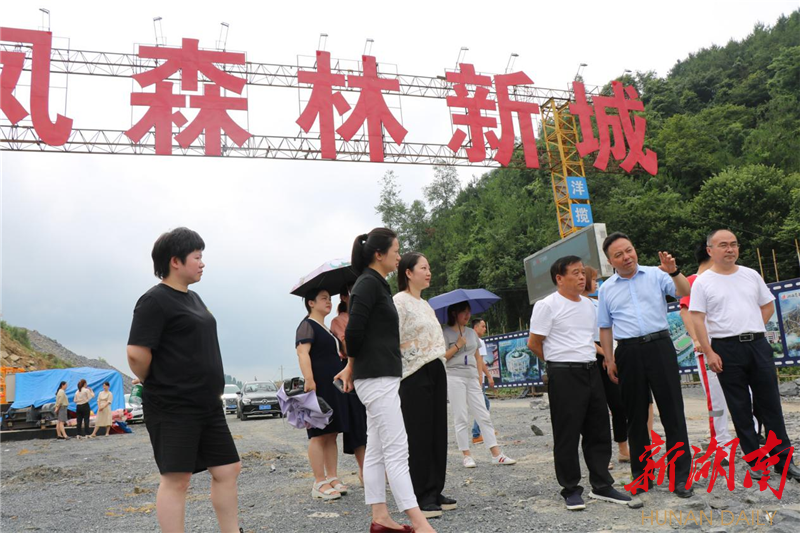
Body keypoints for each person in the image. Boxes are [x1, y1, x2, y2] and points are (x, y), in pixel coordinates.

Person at [127, 227, 242, 533]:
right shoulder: (154, 300)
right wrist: (164, 380)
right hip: (173, 405)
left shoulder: (194, 298)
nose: (202, 263)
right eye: (197, 257)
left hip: (207, 405)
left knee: (228, 468)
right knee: (177, 478)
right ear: (175, 261)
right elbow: (137, 354)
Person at [337, 228, 435, 533]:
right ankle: (419, 523)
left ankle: (380, 516)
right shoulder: (367, 285)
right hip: (377, 378)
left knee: (378, 450)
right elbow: (353, 333)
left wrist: (353, 367)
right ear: (379, 254)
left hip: (380, 376)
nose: (398, 254)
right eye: (395, 250)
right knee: (397, 449)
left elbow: (363, 333)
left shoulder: (375, 284)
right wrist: (353, 365)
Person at [689, 229, 800, 481]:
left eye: (734, 245)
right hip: (725, 349)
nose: (730, 249)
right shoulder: (703, 282)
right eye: (723, 245)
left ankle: (783, 461)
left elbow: (767, 304)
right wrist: (709, 352)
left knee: (771, 404)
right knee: (740, 406)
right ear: (710, 251)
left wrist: (753, 327)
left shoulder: (751, 275)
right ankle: (755, 459)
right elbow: (697, 318)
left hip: (758, 345)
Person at [528, 256, 631, 510]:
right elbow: (534, 343)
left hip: (590, 370)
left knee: (598, 428)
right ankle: (571, 488)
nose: (581, 277)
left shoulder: (589, 305)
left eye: (582, 272)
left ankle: (602, 484)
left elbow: (594, 338)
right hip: (563, 374)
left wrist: (607, 358)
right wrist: (556, 364)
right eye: (575, 273)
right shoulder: (547, 305)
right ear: (559, 278)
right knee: (567, 432)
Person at [598, 232, 694, 498]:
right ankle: (641, 478)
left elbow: (685, 293)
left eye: (629, 250)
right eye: (619, 254)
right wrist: (609, 358)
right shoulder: (606, 289)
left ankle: (681, 478)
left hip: (660, 347)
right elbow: (605, 327)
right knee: (636, 417)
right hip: (627, 352)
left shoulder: (656, 274)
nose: (626, 257)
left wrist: (674, 272)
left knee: (673, 412)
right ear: (610, 261)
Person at [394, 252, 456, 519]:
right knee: (418, 434)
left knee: (436, 431)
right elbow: (391, 339)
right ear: (408, 272)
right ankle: (421, 494)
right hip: (413, 373)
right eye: (423, 268)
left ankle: (435, 488)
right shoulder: (399, 302)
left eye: (429, 267)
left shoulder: (426, 304)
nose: (428, 272)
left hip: (435, 368)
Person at [679, 241, 753, 461]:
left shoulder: (724, 280)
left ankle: (753, 437)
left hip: (732, 346)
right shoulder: (694, 281)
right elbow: (686, 312)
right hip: (708, 348)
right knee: (716, 400)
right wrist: (696, 340)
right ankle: (721, 443)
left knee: (746, 392)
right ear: (710, 254)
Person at [296, 288, 361, 500]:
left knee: (332, 432)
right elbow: (302, 352)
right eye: (323, 298)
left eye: (329, 298)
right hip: (318, 386)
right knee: (317, 433)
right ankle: (319, 481)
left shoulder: (326, 327)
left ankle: (332, 476)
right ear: (310, 303)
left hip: (332, 386)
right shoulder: (307, 325)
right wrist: (309, 380)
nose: (329, 302)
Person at [443, 301, 516, 468]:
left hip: (471, 377)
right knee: (460, 416)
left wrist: (479, 377)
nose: (468, 316)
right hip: (454, 377)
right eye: (464, 312)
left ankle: (496, 453)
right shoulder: (445, 333)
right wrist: (457, 345)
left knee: (483, 414)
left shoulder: (471, 333)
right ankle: (466, 455)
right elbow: (443, 357)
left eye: (469, 312)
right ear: (454, 313)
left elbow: (477, 357)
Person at [582, 266, 632, 464]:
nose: (596, 283)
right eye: (593, 279)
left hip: (607, 354)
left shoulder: (596, 303)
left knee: (618, 404)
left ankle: (623, 447)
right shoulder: (578, 304)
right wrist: (606, 354)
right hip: (593, 357)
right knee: (597, 409)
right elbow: (585, 337)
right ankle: (601, 456)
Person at [471, 318, 495, 445]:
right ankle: (476, 433)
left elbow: (481, 362)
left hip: (474, 377)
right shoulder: (479, 341)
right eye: (483, 326)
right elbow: (480, 362)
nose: (485, 329)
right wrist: (486, 377)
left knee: (483, 404)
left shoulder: (470, 340)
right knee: (483, 405)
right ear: (476, 328)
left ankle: (486, 430)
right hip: (477, 378)